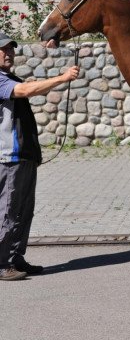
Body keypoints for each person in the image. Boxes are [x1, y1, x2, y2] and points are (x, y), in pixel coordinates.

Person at [0, 32, 79, 280]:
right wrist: (63, 77)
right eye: (4, 50)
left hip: (24, 156)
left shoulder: (8, 77)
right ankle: (2, 265)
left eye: (11, 49)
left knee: (24, 212)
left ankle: (15, 259)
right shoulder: (2, 81)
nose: (9, 53)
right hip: (9, 157)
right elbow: (24, 90)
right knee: (8, 212)